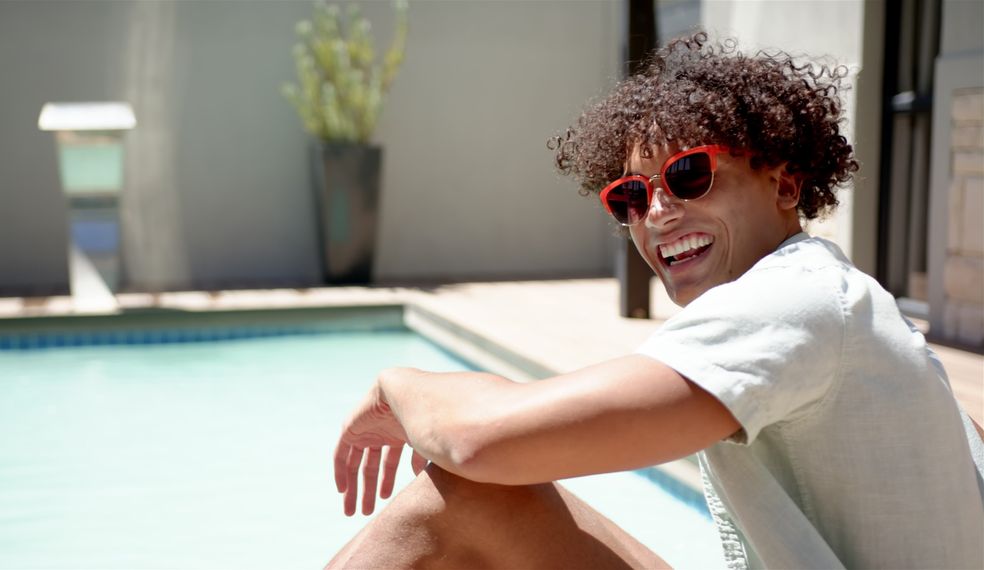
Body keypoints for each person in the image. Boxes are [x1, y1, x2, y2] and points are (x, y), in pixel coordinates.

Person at [326, 33, 984, 569]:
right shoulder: (842, 302)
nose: (658, 212)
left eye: (689, 174)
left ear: (785, 183)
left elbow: (479, 442)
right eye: (630, 197)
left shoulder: (793, 301)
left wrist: (397, 385)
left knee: (464, 494)